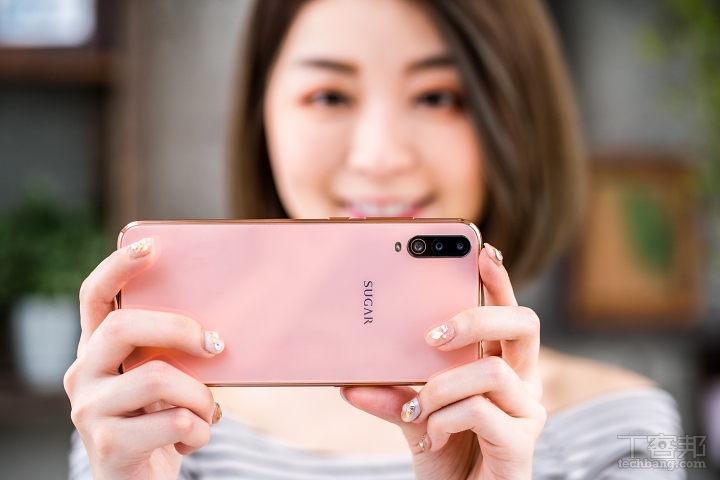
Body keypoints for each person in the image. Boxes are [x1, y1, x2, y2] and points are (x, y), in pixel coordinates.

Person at [65, 0, 684, 478]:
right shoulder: (153, 417)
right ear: (263, 119)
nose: (379, 156)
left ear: (517, 123)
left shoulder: (622, 431)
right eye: (329, 95)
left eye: (438, 97)